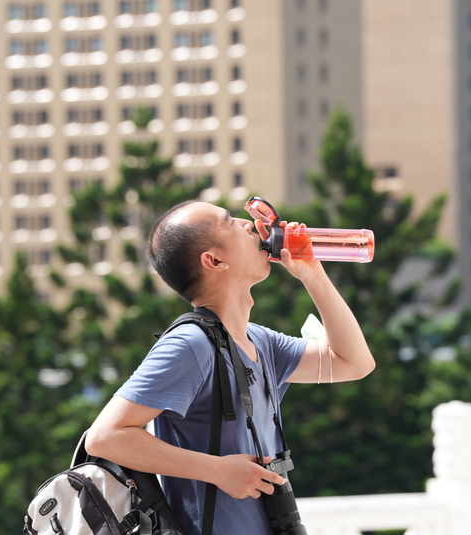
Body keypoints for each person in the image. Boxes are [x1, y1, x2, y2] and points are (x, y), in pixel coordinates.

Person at [85, 200, 375, 535]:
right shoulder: (191, 345)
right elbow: (105, 437)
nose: (250, 224)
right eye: (231, 222)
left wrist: (313, 274)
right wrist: (217, 470)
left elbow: (355, 363)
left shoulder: (259, 341)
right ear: (214, 260)